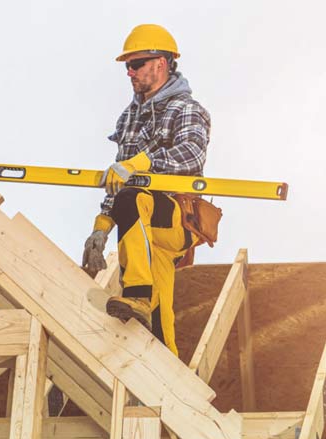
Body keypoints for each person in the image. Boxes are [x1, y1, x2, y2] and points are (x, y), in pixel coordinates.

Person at [81, 24, 211, 357]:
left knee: (134, 196)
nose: (130, 72)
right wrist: (101, 228)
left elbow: (192, 155)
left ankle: (137, 292)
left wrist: (141, 163)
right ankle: (172, 383)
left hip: (175, 220)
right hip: (141, 231)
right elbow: (117, 178)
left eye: (137, 64)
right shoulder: (129, 118)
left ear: (161, 63)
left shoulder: (187, 109)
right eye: (128, 65)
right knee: (156, 320)